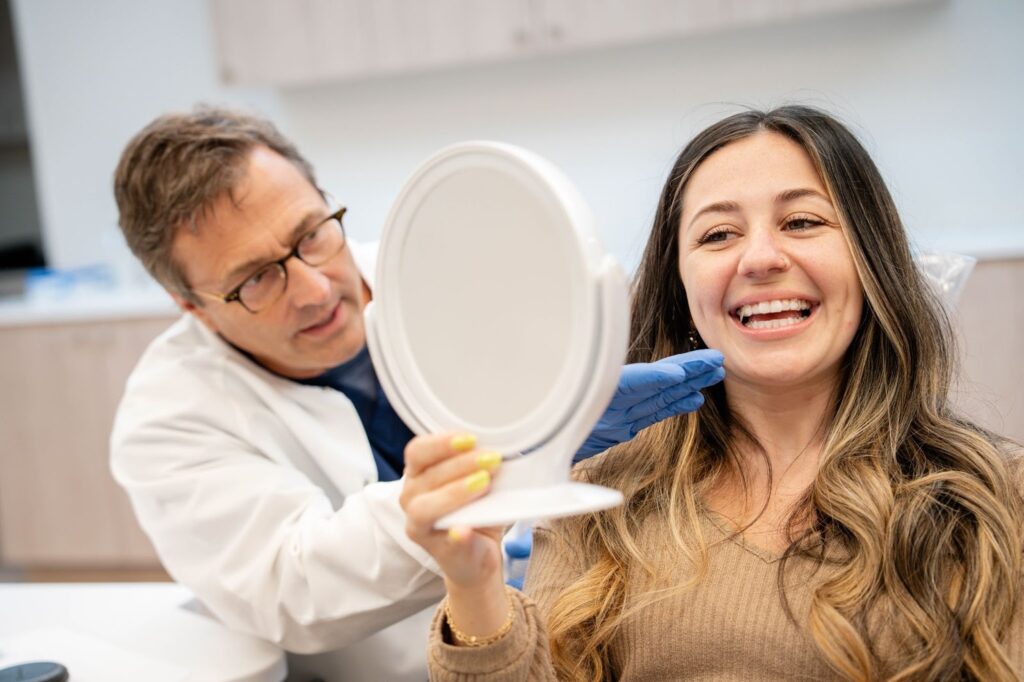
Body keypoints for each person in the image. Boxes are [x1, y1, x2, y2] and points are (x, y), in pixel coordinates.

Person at [402, 105, 1024, 680]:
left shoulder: (993, 499)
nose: (759, 258)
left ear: (871, 261)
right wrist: (475, 585)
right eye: (718, 235)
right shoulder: (599, 503)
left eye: (802, 221)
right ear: (683, 289)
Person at [108, 107, 724, 681]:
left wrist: (568, 402)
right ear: (193, 308)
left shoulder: (434, 271)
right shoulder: (169, 419)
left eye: (313, 233)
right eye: (257, 279)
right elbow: (293, 588)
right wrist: (497, 474)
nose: (316, 289)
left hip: (590, 628)